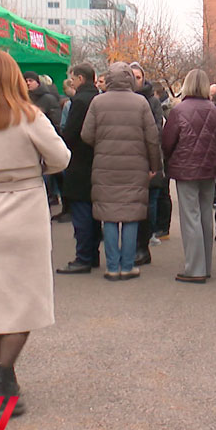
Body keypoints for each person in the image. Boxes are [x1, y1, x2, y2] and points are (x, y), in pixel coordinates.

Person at [0, 50, 71, 417]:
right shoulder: (29, 117)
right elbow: (61, 158)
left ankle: (7, 378)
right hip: (25, 208)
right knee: (22, 299)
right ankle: (3, 376)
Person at [82, 62, 162, 281]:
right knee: (130, 216)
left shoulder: (98, 102)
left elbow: (86, 135)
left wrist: (103, 144)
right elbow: (152, 139)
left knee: (108, 217)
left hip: (105, 167)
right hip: (135, 168)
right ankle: (127, 266)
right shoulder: (141, 103)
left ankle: (111, 266)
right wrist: (155, 166)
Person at [162, 69, 216, 283]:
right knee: (206, 216)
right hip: (209, 169)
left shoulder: (179, 111)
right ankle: (205, 266)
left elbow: (168, 141)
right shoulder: (215, 110)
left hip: (186, 169)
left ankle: (194, 268)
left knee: (190, 218)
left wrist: (168, 160)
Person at [56, 64, 103, 274]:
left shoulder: (80, 101)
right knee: (93, 212)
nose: (71, 82)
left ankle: (83, 257)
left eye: (73, 78)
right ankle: (92, 254)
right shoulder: (100, 98)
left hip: (79, 162)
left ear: (81, 79)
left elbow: (72, 132)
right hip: (98, 160)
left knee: (82, 211)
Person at [129, 62, 168, 258]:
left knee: (149, 201)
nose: (135, 80)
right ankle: (134, 243)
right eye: (132, 76)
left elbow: (157, 130)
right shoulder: (125, 99)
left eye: (138, 77)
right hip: (130, 160)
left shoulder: (152, 101)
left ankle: (144, 242)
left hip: (149, 157)